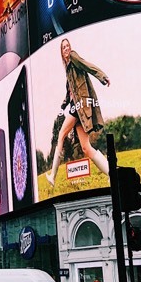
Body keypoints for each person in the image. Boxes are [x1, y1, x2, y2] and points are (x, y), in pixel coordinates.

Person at [46, 38, 110, 186]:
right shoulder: (68, 68)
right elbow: (69, 92)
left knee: (61, 134)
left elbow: (87, 65)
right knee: (86, 148)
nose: (67, 49)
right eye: (64, 48)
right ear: (61, 53)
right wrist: (63, 105)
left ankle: (53, 176)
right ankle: (111, 172)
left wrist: (102, 76)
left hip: (79, 106)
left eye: (68, 46)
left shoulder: (74, 57)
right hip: (77, 107)